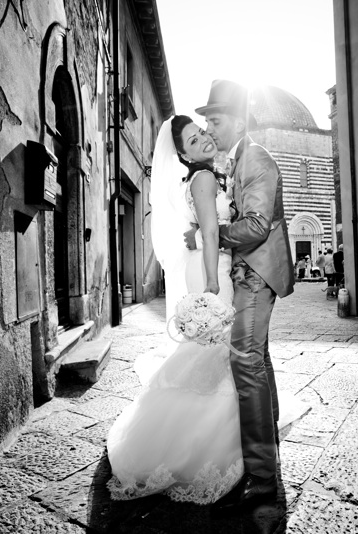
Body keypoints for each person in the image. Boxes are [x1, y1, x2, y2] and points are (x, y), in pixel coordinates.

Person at [105, 115, 243, 504]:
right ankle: (201, 445)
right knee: (213, 353)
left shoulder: (198, 178)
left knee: (207, 352)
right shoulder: (203, 179)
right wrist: (215, 285)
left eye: (201, 133)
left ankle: (188, 436)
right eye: (192, 140)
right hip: (212, 271)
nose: (202, 140)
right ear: (181, 153)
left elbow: (203, 227)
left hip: (207, 264)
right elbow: (212, 231)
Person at [185, 79, 295, 513]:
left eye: (214, 119)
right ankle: (268, 438)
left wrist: (209, 235)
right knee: (258, 357)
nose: (208, 127)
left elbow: (255, 225)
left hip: (256, 272)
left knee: (244, 361)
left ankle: (263, 477)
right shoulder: (236, 160)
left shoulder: (257, 160)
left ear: (237, 121)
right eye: (205, 120)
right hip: (247, 270)